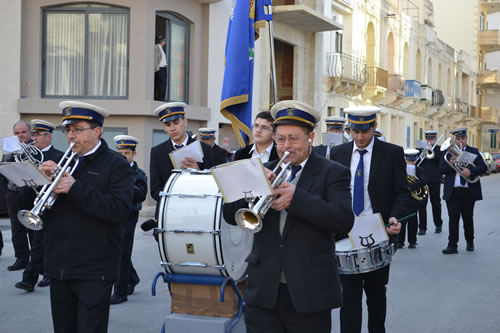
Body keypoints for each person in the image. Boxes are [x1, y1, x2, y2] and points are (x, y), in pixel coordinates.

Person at [223, 100, 354, 333]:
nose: (286, 146)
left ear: (310, 137)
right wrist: (250, 183)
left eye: (294, 138)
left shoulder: (333, 172)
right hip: (263, 292)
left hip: (309, 294)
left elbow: (343, 220)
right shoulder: (263, 169)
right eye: (281, 139)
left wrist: (298, 199)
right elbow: (229, 214)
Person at [39, 101, 134, 332]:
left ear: (98, 131)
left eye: (77, 130)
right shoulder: (63, 161)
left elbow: (119, 209)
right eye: (68, 131)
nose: (71, 136)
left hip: (95, 268)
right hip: (60, 264)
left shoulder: (116, 164)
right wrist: (37, 182)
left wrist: (75, 188)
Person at [329, 105, 409, 333]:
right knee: (349, 296)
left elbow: (402, 191)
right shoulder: (338, 153)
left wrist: (396, 216)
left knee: (376, 294)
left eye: (365, 131)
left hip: (378, 232)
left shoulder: (392, 153)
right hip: (346, 233)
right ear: (349, 129)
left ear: (374, 127)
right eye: (355, 131)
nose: (360, 137)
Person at [14, 119, 64, 292]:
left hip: (51, 206)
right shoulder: (29, 155)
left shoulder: (58, 156)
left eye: (37, 135)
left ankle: (30, 279)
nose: (33, 138)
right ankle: (41, 275)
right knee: (38, 244)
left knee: (42, 244)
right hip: (31, 203)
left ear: (48, 136)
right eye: (33, 135)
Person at [150, 102, 215, 217]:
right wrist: (173, 198)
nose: (173, 128)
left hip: (197, 212)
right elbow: (155, 189)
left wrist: (198, 171)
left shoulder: (205, 149)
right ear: (164, 128)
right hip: (168, 212)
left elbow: (213, 185)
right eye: (168, 125)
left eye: (176, 123)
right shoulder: (157, 152)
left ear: (185, 121)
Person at [110, 135, 148, 305]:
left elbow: (140, 195)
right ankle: (131, 278)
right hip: (113, 213)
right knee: (116, 250)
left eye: (127, 152)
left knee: (122, 253)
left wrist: (126, 182)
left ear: (134, 154)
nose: (123, 156)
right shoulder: (113, 170)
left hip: (129, 215)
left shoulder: (139, 174)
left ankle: (120, 292)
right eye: (120, 152)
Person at [440, 127, 487, 254]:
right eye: (458, 139)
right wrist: (451, 164)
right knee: (453, 218)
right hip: (453, 191)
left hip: (468, 191)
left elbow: (483, 167)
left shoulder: (473, 151)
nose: (460, 141)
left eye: (463, 138)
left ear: (466, 138)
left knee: (468, 218)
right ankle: (452, 245)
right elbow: (440, 170)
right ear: (454, 140)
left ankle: (470, 242)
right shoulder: (448, 154)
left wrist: (470, 171)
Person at [0, 120, 34, 271]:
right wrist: (7, 193)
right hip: (13, 195)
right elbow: (3, 172)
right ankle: (21, 259)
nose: (20, 136)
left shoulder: (37, 149)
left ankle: (37, 261)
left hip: (32, 195)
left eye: (23, 132)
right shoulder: (9, 151)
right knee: (17, 229)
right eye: (17, 133)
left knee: (34, 229)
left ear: (30, 133)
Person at [398, 148, 426, 249]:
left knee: (413, 220)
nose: (411, 162)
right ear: (405, 159)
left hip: (414, 198)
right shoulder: (401, 169)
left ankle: (412, 241)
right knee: (401, 220)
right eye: (409, 160)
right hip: (402, 198)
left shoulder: (419, 169)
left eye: (413, 160)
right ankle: (400, 242)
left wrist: (411, 187)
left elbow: (423, 181)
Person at [418, 130, 443, 235]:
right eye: (428, 139)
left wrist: (432, 153)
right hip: (423, 179)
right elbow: (416, 163)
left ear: (435, 139)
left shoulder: (439, 149)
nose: (429, 141)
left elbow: (440, 162)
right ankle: (422, 227)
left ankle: (438, 224)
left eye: (431, 139)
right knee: (422, 204)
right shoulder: (420, 149)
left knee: (436, 203)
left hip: (435, 179)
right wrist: (421, 155)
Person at [154, 35, 168, 101]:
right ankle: (160, 98)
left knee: (163, 83)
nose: (164, 42)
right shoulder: (156, 47)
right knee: (161, 83)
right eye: (163, 41)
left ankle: (161, 97)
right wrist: (156, 68)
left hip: (163, 68)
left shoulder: (161, 48)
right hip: (160, 68)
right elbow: (155, 58)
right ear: (161, 41)